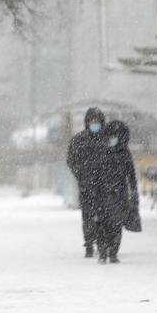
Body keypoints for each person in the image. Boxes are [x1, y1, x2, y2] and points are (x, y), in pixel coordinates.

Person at [95, 120, 138, 264]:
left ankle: (113, 252)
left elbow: (131, 174)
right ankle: (102, 252)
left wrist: (133, 190)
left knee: (116, 225)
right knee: (102, 224)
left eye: (116, 136)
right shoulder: (100, 152)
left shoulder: (125, 153)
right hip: (102, 194)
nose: (113, 138)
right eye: (111, 135)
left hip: (119, 194)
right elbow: (94, 174)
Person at [66, 107, 105, 258]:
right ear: (87, 122)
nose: (94, 124)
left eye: (97, 121)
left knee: (105, 215)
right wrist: (82, 175)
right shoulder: (79, 140)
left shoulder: (107, 138)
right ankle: (89, 243)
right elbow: (71, 160)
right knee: (88, 216)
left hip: (105, 186)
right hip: (86, 186)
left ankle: (104, 242)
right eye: (92, 121)